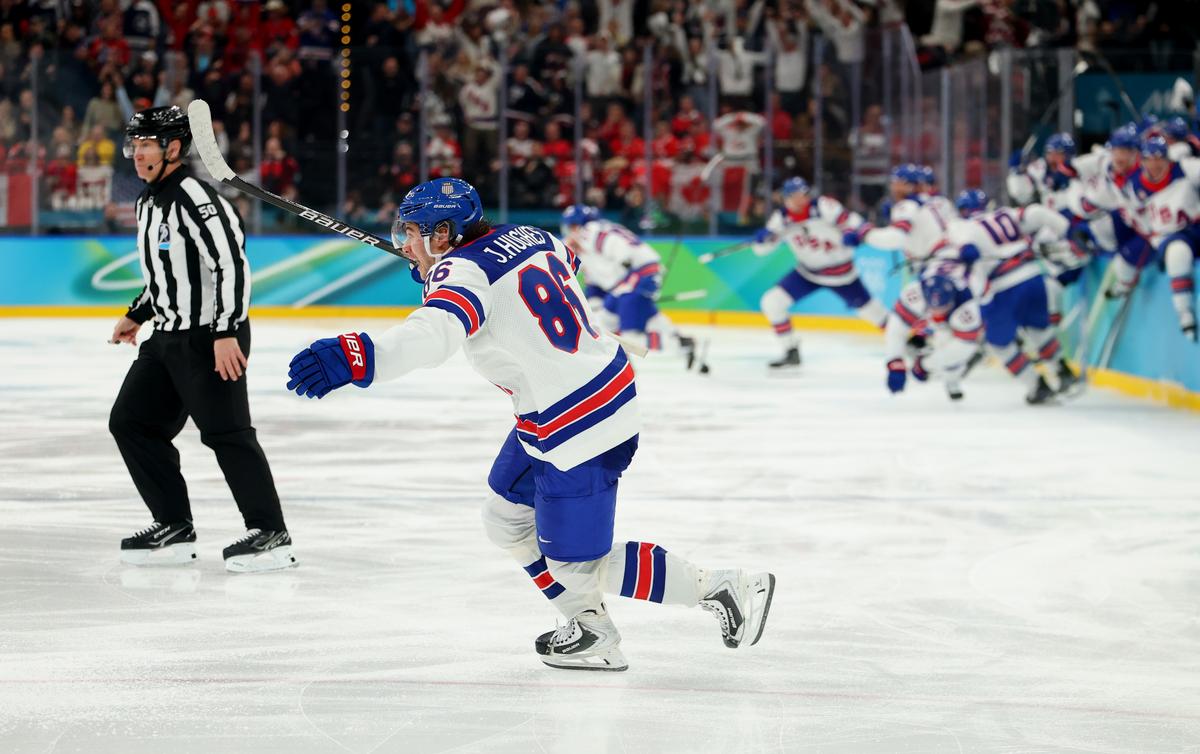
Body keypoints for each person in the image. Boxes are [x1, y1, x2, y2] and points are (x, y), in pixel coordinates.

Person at [284, 178, 774, 671]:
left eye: (413, 232)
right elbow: (558, 275)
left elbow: (434, 336)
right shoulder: (534, 235)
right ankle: (590, 628)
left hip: (581, 423)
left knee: (577, 564)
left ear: (444, 232)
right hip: (566, 404)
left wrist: (362, 355)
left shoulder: (460, 272)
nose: (406, 244)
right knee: (505, 519)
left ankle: (720, 587)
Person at [108, 106, 295, 573]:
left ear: (173, 148)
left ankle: (272, 533)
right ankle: (173, 525)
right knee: (131, 423)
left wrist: (227, 330)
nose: (137, 153)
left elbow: (230, 264)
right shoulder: (147, 202)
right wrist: (138, 312)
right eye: (134, 144)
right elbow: (165, 273)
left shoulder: (195, 197)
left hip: (210, 337)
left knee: (226, 433)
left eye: (146, 144)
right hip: (165, 337)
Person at [750, 176, 886, 368]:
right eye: (794, 196)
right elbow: (761, 250)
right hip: (808, 274)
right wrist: (762, 241)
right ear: (785, 199)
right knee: (772, 302)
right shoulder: (781, 219)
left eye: (803, 194)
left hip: (842, 276)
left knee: (873, 314)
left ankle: (909, 347)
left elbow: (855, 223)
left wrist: (851, 233)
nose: (799, 200)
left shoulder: (824, 207)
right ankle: (790, 350)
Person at [559, 204, 704, 370]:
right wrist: (594, 305)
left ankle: (623, 367)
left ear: (579, 225)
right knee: (610, 323)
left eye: (571, 226)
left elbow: (621, 253)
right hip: (633, 279)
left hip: (638, 275)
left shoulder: (591, 231)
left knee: (629, 333)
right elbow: (595, 283)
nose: (569, 232)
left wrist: (633, 280)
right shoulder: (588, 247)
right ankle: (681, 343)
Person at [1123, 136, 1200, 340]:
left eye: (1160, 158)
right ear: (1142, 161)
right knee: (1177, 254)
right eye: (1150, 159)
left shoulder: (1185, 169)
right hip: (1171, 236)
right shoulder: (1134, 186)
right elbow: (1136, 217)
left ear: (1168, 159)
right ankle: (1185, 312)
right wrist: (1153, 236)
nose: (1155, 164)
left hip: (1196, 226)